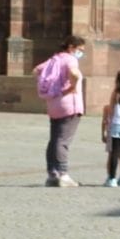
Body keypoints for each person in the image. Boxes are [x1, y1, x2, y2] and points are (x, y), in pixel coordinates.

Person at [40, 36, 87, 187]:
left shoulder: (54, 59)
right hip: (69, 104)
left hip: (54, 104)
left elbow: (37, 71)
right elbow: (74, 73)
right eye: (80, 50)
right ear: (71, 47)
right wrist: (73, 86)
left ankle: (52, 174)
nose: (81, 53)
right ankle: (63, 174)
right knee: (63, 141)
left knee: (54, 140)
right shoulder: (70, 59)